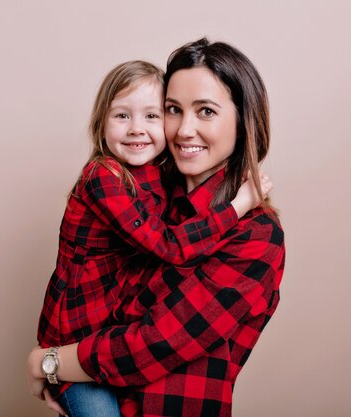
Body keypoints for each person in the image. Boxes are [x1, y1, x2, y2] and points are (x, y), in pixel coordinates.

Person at [36, 59, 272, 417]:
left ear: (243, 123)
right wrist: (52, 361)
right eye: (174, 110)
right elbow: (163, 252)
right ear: (101, 122)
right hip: (81, 351)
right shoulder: (120, 178)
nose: (184, 129)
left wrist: (45, 363)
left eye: (206, 111)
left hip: (110, 376)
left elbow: (155, 342)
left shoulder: (255, 235)